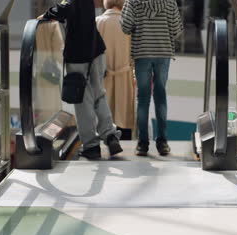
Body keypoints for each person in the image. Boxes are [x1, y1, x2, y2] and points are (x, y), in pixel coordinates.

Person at [38, 0, 123, 160]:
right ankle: (110, 136)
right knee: (99, 94)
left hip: (78, 56)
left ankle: (91, 145)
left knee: (82, 101)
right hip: (96, 50)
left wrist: (47, 14)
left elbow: (67, 8)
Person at [120, 0, 183, 156]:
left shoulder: (133, 2)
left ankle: (142, 143)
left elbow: (125, 27)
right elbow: (177, 29)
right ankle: (162, 142)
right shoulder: (170, 2)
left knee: (142, 99)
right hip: (163, 53)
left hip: (142, 53)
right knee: (160, 96)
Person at [96, 0, 136, 140]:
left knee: (103, 115)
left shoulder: (98, 22)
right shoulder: (130, 23)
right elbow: (135, 54)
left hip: (102, 77)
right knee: (124, 117)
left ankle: (106, 143)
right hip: (125, 77)